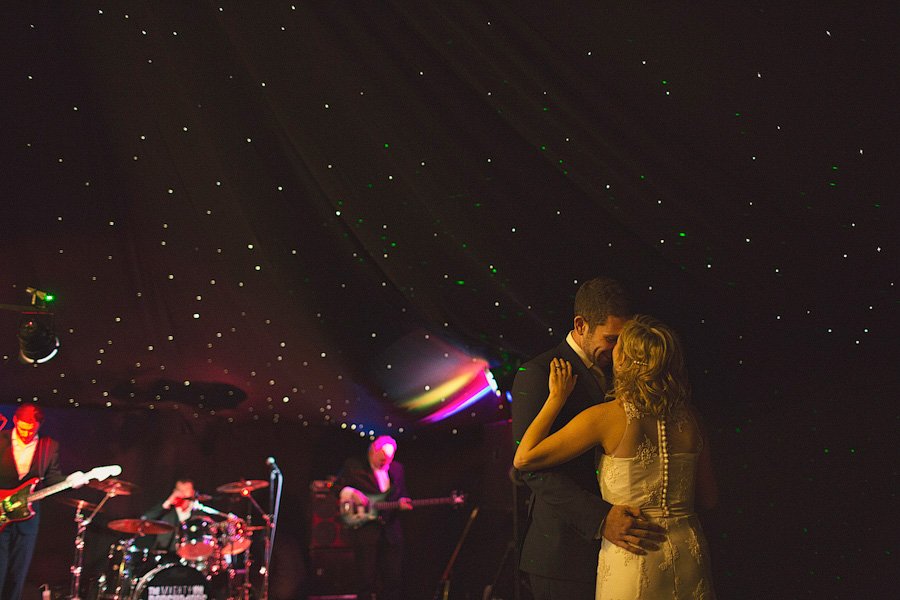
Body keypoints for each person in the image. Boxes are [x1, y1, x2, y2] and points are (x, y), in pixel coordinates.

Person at [514, 315, 718, 598]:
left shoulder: (606, 417)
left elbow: (524, 458)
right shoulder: (693, 419)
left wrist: (555, 400)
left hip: (634, 555)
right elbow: (708, 498)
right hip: (688, 552)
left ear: (623, 362)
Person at [511, 277, 665, 599]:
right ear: (581, 325)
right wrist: (600, 518)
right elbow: (531, 468)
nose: (619, 349)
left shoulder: (620, 367)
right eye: (611, 338)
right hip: (563, 554)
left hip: (622, 552)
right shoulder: (538, 373)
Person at [335, 435, 412, 600]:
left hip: (390, 531)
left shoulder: (397, 469)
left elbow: (402, 492)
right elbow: (336, 487)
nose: (385, 463)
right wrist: (352, 493)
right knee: (366, 580)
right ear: (372, 451)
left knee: (393, 579)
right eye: (382, 458)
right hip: (366, 531)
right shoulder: (354, 466)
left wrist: (403, 502)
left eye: (389, 460)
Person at [0, 405, 64, 600]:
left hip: (29, 517)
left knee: (17, 573)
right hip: (1, 512)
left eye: (32, 429)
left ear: (39, 425)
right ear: (15, 422)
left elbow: (53, 479)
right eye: (23, 428)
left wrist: (73, 482)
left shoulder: (49, 445)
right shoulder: (1, 439)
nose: (26, 433)